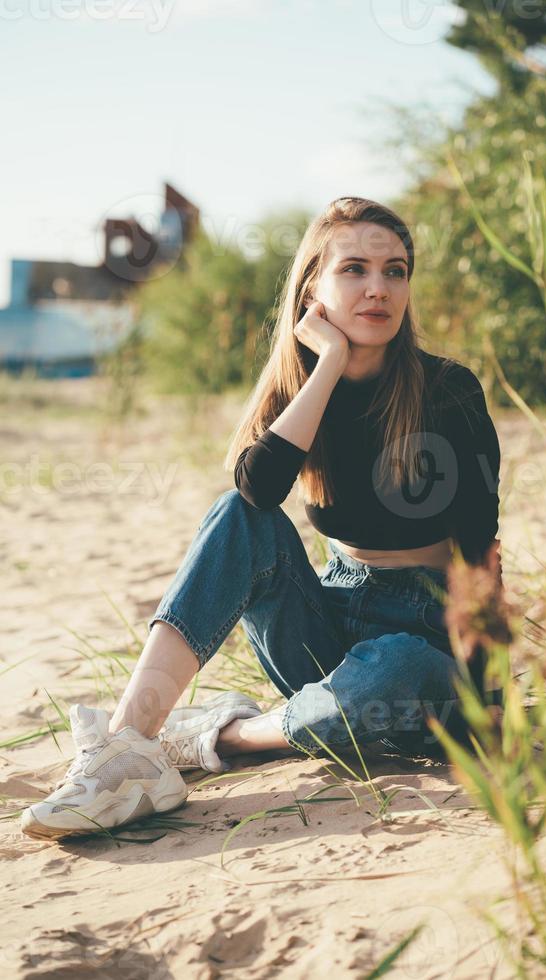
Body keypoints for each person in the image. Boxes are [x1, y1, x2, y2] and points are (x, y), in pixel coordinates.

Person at [21, 197, 503, 841]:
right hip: (329, 617)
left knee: (394, 667)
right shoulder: (302, 388)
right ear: (314, 289)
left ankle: (223, 734)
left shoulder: (448, 390)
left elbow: (481, 546)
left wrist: (485, 697)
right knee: (237, 515)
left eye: (396, 270)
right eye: (354, 269)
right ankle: (127, 747)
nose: (378, 288)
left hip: (426, 634)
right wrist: (328, 364)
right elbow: (257, 491)